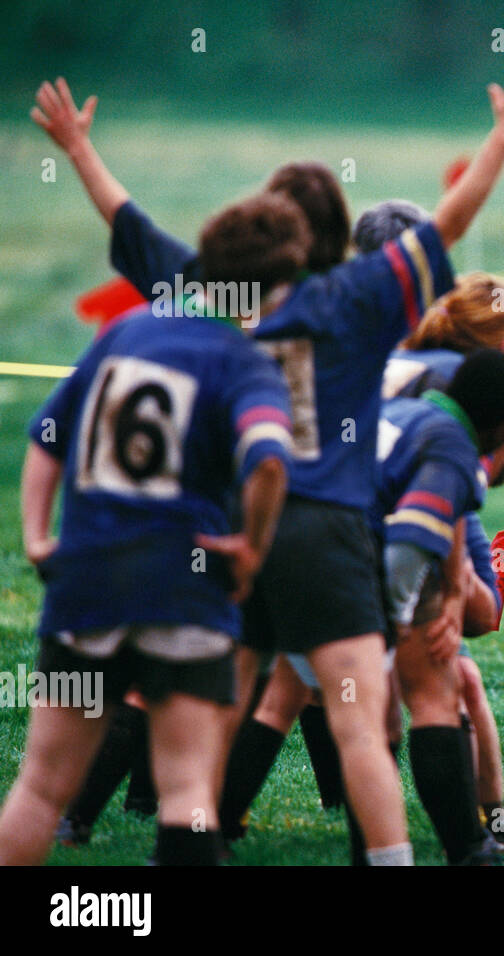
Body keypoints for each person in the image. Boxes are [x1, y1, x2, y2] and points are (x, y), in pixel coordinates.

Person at [34, 63, 504, 863]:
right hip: (330, 530)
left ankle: (185, 837)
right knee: (361, 727)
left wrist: (77, 149)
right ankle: (390, 858)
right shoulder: (357, 298)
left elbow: (130, 224)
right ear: (334, 230)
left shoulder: (214, 291)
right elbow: (446, 224)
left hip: (235, 534)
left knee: (215, 714)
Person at [0, 193, 299, 865]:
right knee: (188, 786)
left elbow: (47, 434)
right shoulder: (244, 360)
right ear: (267, 291)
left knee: (42, 788)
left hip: (89, 579)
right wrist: (250, 547)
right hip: (183, 586)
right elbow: (270, 460)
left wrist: (37, 535)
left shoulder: (127, 329)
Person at [375, 349, 504, 865]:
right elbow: (411, 537)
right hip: (349, 565)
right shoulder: (452, 447)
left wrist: (448, 592)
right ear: (503, 424)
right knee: (423, 698)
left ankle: (203, 829)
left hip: (292, 549)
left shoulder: (406, 412)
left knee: (270, 693)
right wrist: (393, 624)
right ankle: (466, 849)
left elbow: (438, 526)